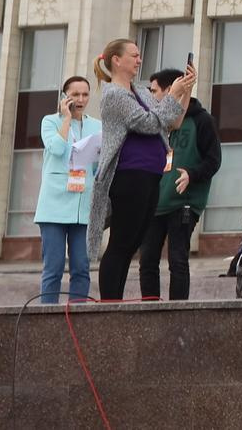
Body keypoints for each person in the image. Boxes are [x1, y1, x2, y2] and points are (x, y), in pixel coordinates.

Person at [89, 37, 188, 302]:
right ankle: (110, 303)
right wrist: (172, 96)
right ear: (116, 60)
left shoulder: (140, 91)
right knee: (122, 242)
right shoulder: (114, 95)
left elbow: (172, 121)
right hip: (129, 176)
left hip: (150, 175)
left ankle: (115, 302)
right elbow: (147, 122)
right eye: (134, 55)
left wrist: (183, 91)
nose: (139, 60)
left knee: (132, 243)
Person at [143, 66, 221, 300]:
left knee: (177, 260)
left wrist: (191, 174)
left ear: (170, 90)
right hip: (154, 203)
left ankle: (176, 314)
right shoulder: (157, 122)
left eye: (154, 91)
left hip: (183, 203)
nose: (151, 96)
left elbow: (214, 160)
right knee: (147, 261)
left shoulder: (202, 120)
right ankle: (148, 312)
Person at [34, 75, 99, 305]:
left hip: (82, 204)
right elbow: (56, 148)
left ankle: (77, 316)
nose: (81, 99)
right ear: (65, 97)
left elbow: (98, 165)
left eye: (85, 94)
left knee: (81, 266)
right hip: (54, 205)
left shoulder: (96, 125)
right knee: (53, 266)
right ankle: (47, 318)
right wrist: (67, 119)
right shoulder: (49, 121)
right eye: (75, 95)